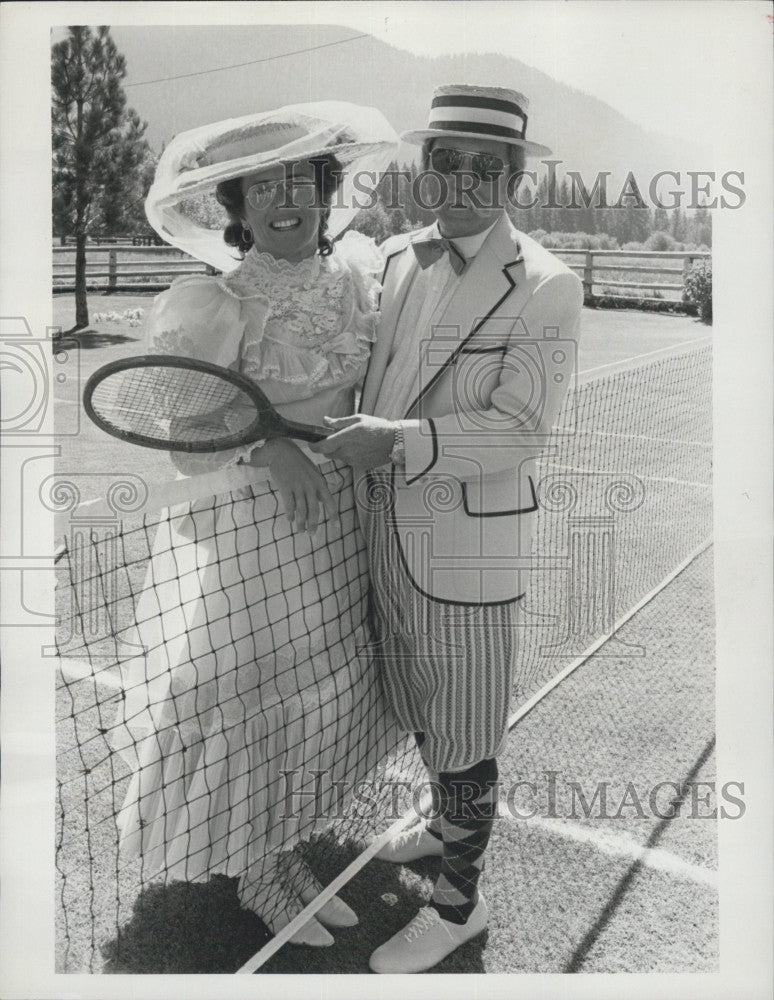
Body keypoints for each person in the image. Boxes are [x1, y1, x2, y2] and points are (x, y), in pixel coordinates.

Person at [110, 104, 399, 947]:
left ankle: (288, 847)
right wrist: (268, 444)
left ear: (323, 190)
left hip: (341, 527)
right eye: (261, 187)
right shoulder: (209, 303)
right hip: (253, 539)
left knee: (328, 694)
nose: (284, 201)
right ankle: (262, 875)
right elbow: (184, 435)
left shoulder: (356, 272)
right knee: (258, 702)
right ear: (234, 208)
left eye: (299, 181)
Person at [312, 84, 583, 972]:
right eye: (445, 160)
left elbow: (521, 429)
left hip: (465, 554)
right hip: (379, 540)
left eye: (485, 165)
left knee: (465, 733)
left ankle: (458, 906)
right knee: (426, 714)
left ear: (514, 179)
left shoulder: (547, 283)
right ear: (423, 169)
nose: (462, 178)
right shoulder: (392, 256)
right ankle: (439, 832)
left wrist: (402, 440)